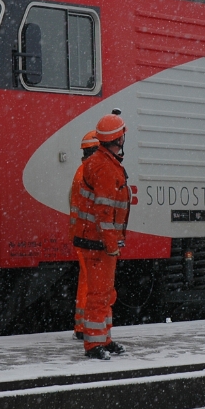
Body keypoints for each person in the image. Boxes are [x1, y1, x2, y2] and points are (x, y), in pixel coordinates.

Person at [72, 111, 131, 360]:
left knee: (106, 293)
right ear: (118, 139)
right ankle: (94, 345)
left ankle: (104, 339)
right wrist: (111, 244)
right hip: (98, 243)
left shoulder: (102, 162)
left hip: (96, 240)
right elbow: (104, 211)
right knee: (99, 294)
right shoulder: (104, 167)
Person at [69, 131, 99, 341]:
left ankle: (82, 325)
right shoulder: (91, 173)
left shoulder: (81, 172)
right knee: (93, 283)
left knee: (86, 280)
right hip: (90, 236)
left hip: (82, 234)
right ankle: (88, 327)